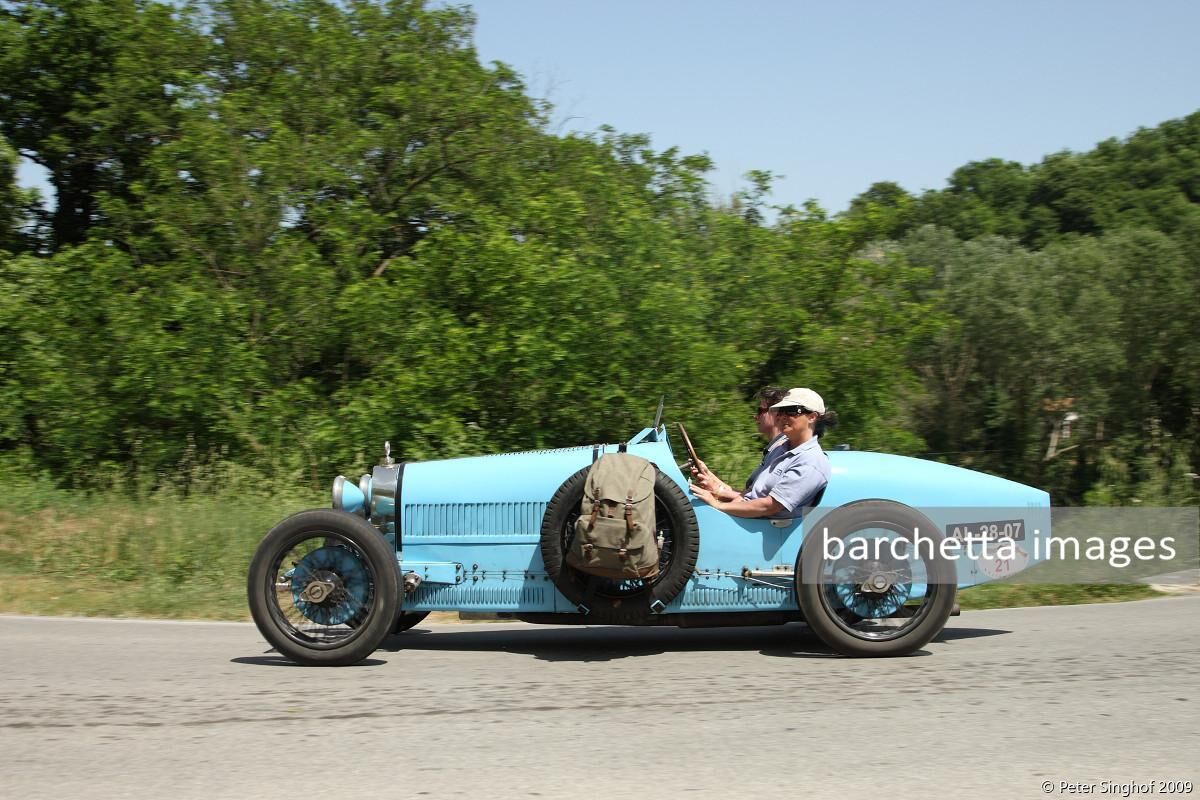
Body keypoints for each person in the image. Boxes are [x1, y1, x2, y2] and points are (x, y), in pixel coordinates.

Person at [690, 387, 833, 519]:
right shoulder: (781, 448)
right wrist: (716, 489)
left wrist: (717, 505)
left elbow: (770, 506)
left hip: (764, 530)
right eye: (781, 411)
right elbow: (750, 494)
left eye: (791, 411)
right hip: (746, 520)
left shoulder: (811, 461)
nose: (782, 417)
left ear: (812, 417)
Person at [689, 386, 786, 496]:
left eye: (760, 411)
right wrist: (708, 474)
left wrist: (716, 490)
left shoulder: (782, 450)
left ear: (777, 413)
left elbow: (757, 501)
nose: (755, 417)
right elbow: (745, 495)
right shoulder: (773, 449)